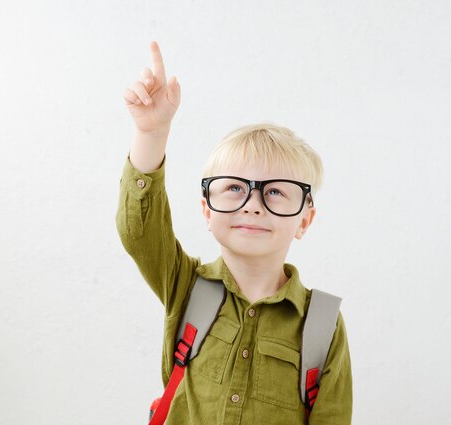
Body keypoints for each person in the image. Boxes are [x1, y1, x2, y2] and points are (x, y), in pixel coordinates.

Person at [117, 40, 352, 425]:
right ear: (207, 210)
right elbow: (138, 231)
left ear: (304, 220)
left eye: (275, 191)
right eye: (235, 188)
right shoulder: (186, 286)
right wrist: (152, 133)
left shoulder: (322, 322)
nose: (253, 204)